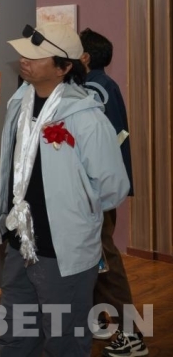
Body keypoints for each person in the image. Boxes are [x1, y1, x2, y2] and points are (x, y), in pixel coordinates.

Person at [0, 22, 130, 356]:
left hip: (63, 251)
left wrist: (74, 209)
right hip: (20, 244)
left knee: (64, 341)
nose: (24, 59)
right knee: (15, 338)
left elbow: (113, 187)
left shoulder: (87, 117)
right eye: (25, 53)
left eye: (35, 56)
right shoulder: (19, 105)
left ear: (64, 67)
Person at [80, 28, 148, 357]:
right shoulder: (105, 85)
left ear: (84, 57)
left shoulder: (93, 90)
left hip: (96, 193)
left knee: (104, 260)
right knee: (93, 259)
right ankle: (98, 321)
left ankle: (131, 334)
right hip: (101, 190)